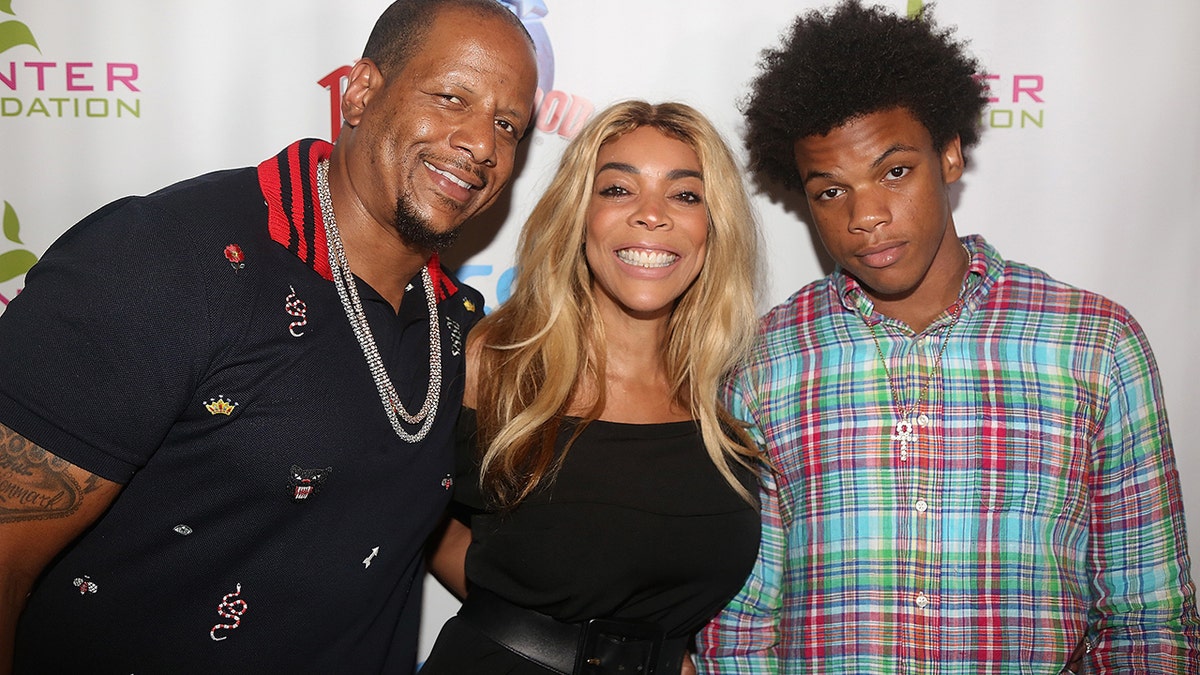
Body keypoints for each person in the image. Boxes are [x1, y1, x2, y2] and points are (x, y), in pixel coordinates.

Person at [0, 0, 537, 672]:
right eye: (452, 96)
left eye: (508, 124)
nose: (482, 144)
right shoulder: (170, 259)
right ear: (361, 92)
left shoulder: (454, 322)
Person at [696, 1, 1200, 673]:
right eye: (830, 191)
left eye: (894, 171)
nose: (866, 215)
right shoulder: (766, 364)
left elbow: (1151, 621)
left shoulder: (1095, 346)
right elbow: (743, 627)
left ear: (951, 155)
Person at [419, 100, 765, 675]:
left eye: (685, 195)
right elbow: (415, 517)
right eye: (618, 190)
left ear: (714, 224)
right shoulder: (497, 361)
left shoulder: (725, 396)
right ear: (580, 216)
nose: (651, 215)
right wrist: (525, 624)